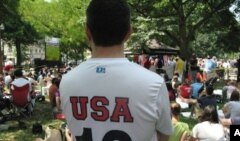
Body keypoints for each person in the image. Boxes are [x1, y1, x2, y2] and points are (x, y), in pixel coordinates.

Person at [59, 0, 173, 141]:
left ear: (87, 31)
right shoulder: (154, 84)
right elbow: (164, 136)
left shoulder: (67, 82)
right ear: (129, 32)